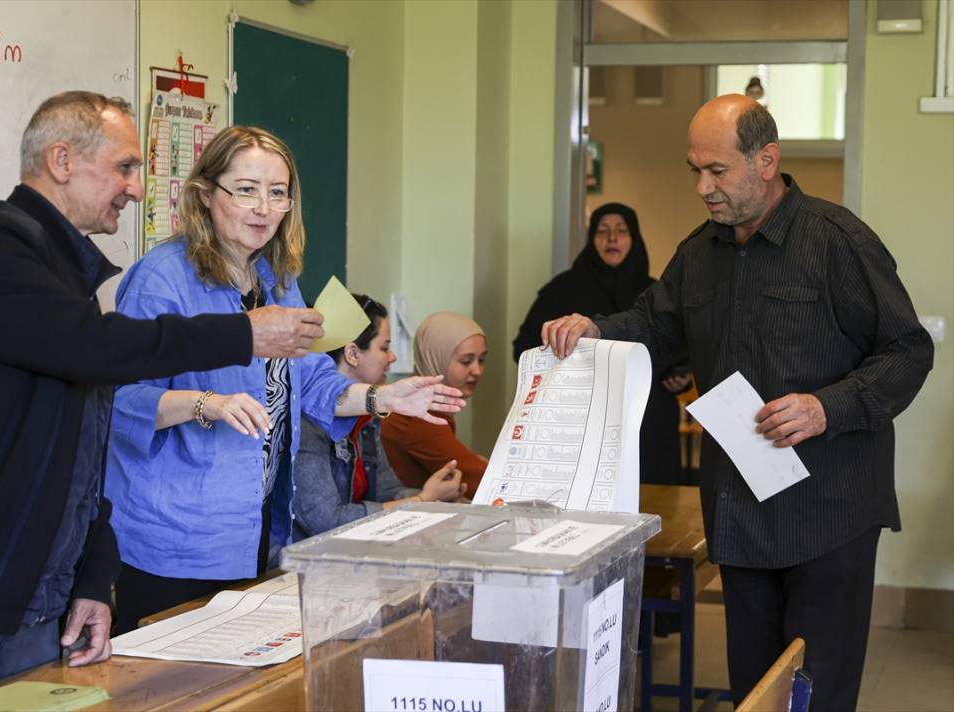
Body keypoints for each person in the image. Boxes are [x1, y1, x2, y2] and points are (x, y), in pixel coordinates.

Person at [0, 91, 329, 710]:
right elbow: (93, 351)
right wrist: (244, 335)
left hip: (39, 597)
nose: (136, 188)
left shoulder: (64, 275)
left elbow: (80, 446)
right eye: (124, 167)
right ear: (62, 160)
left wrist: (92, 576)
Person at [542, 95, 933, 710]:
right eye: (694, 169)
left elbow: (908, 350)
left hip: (830, 511)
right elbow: (654, 325)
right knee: (752, 691)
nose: (702, 186)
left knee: (814, 694)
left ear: (766, 161)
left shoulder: (837, 241)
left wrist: (826, 407)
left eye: (717, 171)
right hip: (742, 512)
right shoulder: (700, 253)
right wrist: (594, 329)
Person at [105, 126, 464, 633]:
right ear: (206, 194)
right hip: (176, 540)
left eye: (277, 194)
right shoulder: (162, 278)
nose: (263, 209)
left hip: (258, 529)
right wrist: (205, 403)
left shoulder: (277, 279)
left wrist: (384, 398)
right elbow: (122, 399)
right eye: (246, 189)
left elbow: (314, 381)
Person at [513, 202, 692, 484]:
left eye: (621, 231)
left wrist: (681, 377)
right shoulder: (563, 289)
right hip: (582, 417)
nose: (612, 239)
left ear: (634, 239)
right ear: (591, 239)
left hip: (648, 417)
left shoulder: (654, 292)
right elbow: (525, 347)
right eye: (602, 231)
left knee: (656, 502)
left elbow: (679, 344)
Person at [293, 295, 467, 538]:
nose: (393, 357)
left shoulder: (368, 417)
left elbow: (387, 493)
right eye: (385, 347)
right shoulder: (306, 425)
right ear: (353, 354)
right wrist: (419, 501)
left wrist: (435, 498)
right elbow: (326, 521)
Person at [382, 312, 489, 496]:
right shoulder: (418, 414)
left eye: (481, 360)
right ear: (435, 358)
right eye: (466, 361)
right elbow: (481, 482)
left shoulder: (421, 400)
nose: (477, 370)